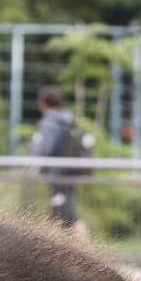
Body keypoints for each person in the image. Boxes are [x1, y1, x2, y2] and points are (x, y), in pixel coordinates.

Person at [29, 86, 91, 241]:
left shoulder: (50, 122)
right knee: (58, 213)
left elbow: (46, 149)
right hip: (71, 172)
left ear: (43, 104)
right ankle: (46, 250)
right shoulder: (68, 119)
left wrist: (34, 144)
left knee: (68, 216)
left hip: (57, 174)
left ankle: (89, 254)